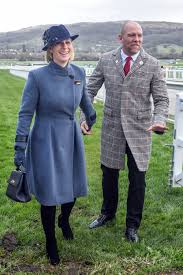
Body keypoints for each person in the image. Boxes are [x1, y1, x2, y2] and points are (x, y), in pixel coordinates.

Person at [14, 24, 96, 265]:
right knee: (50, 194)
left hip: (71, 137)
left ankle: (64, 220)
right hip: (46, 139)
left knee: (71, 190)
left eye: (68, 42)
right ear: (50, 49)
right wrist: (20, 147)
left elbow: (85, 103)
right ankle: (51, 240)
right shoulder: (37, 77)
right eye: (59, 43)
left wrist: (90, 119)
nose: (65, 46)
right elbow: (25, 114)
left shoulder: (79, 73)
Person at [81, 21, 169, 242]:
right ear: (120, 38)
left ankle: (132, 225)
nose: (136, 39)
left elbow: (161, 99)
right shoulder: (105, 60)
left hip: (140, 130)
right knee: (109, 175)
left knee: (137, 179)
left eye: (140, 35)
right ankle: (107, 214)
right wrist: (85, 117)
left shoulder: (152, 64)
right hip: (112, 128)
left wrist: (159, 120)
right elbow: (89, 90)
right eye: (131, 35)